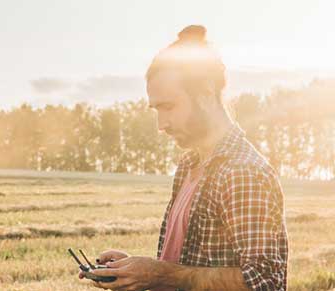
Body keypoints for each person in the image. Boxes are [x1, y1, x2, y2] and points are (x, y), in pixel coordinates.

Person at [80, 25, 289, 291]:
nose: (161, 124)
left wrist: (161, 274)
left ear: (205, 93)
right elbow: (185, 267)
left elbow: (265, 282)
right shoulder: (189, 165)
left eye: (168, 106)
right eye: (156, 109)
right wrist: (137, 271)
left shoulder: (242, 172)